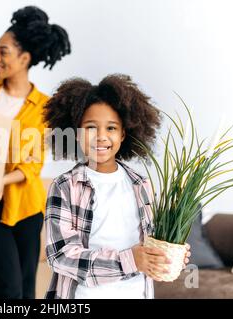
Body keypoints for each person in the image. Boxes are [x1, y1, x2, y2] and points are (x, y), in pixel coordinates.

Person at [43, 74, 191, 299]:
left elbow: (149, 242)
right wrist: (130, 260)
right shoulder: (65, 186)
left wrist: (169, 253)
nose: (101, 137)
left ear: (123, 134)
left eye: (111, 128)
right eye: (91, 127)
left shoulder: (140, 184)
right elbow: (61, 256)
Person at [0, 6, 71, 299]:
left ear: (24, 58)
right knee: (7, 288)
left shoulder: (44, 108)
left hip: (26, 206)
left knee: (26, 290)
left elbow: (33, 165)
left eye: (3, 52)